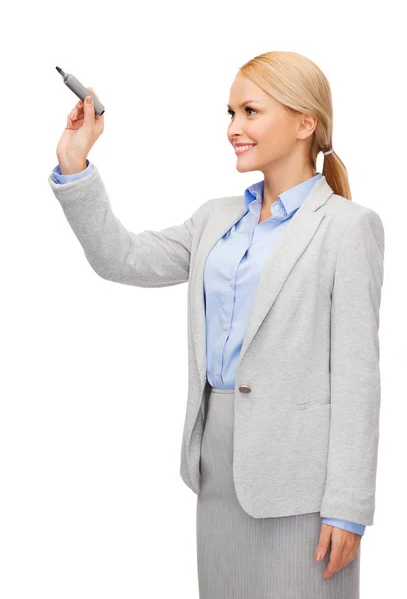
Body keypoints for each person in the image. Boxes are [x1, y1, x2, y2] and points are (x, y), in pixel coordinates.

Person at [48, 50, 384, 598]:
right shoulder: (214, 219)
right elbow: (122, 259)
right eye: (229, 113)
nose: (234, 129)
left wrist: (349, 509)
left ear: (306, 123)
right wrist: (75, 164)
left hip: (301, 477)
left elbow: (357, 378)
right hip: (217, 462)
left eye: (250, 111)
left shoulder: (348, 228)